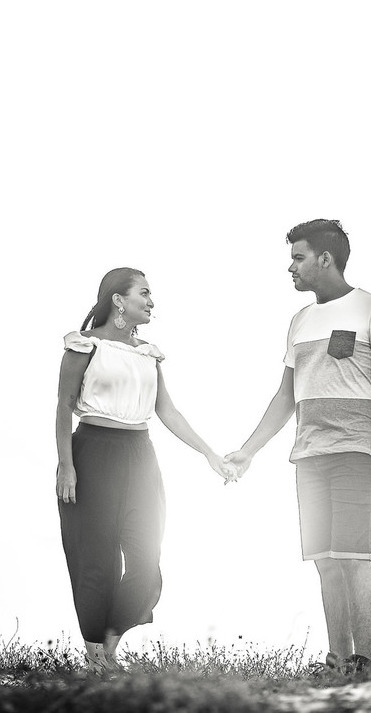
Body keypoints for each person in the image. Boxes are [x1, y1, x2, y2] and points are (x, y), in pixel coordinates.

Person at [224, 219, 371, 674]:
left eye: (298, 257)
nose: (291, 267)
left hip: (356, 451)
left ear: (325, 259)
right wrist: (248, 451)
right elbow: (286, 395)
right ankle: (336, 660)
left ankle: (362, 662)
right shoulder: (299, 321)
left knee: (352, 560)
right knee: (326, 563)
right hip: (307, 455)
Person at [56, 267, 235, 673]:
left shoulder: (148, 352)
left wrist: (209, 453)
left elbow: (166, 411)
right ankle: (97, 658)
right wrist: (66, 465)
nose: (152, 302)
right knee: (96, 561)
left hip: (140, 455)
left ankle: (109, 645)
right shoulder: (85, 346)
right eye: (144, 293)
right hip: (91, 452)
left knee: (146, 561)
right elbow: (63, 406)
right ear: (118, 300)